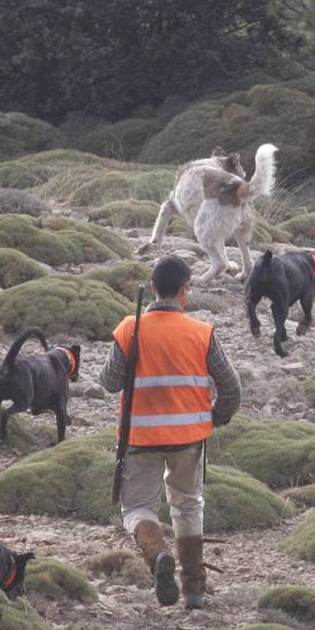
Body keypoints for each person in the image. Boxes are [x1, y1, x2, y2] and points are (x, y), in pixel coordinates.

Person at [99, 256, 241, 609]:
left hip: (139, 438)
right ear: (184, 291)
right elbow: (232, 387)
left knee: (137, 509)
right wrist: (215, 417)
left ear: (152, 290)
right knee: (189, 505)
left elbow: (108, 382)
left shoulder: (129, 329)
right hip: (190, 438)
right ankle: (194, 589)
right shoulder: (202, 333)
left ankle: (158, 554)